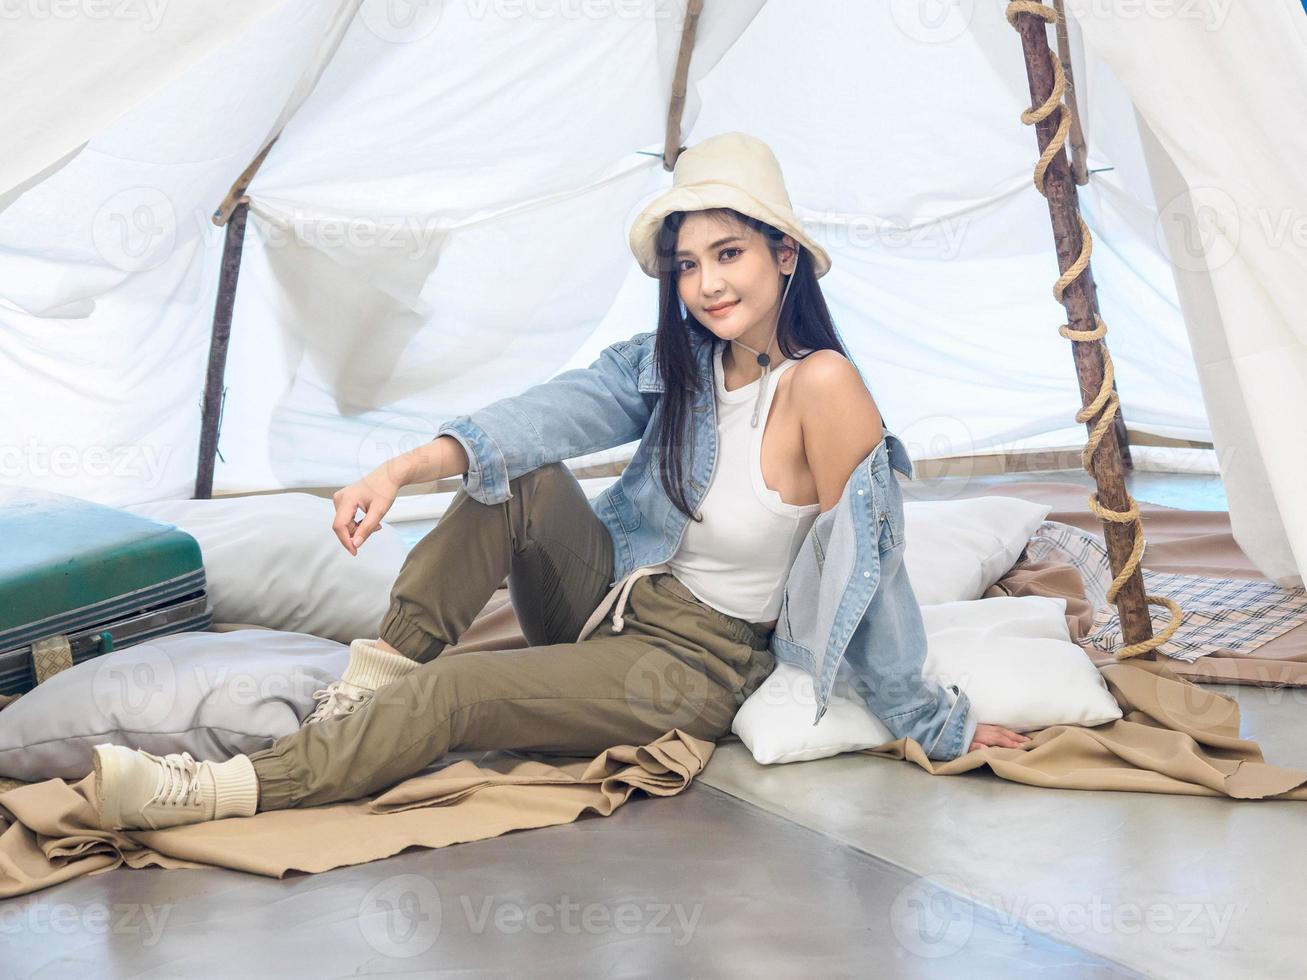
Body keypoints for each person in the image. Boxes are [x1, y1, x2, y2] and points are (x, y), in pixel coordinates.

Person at [93, 132, 1027, 831]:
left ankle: (230, 789)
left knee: (458, 695)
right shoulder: (676, 362)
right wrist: (400, 467)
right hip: (610, 599)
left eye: (728, 254)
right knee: (523, 478)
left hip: (693, 666)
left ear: (784, 253)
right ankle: (366, 687)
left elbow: (873, 568)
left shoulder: (823, 386)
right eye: (685, 265)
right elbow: (547, 414)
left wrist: (929, 723)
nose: (704, 285)